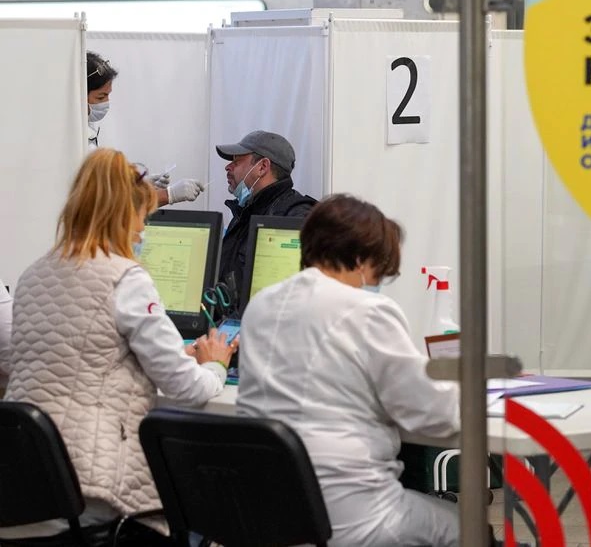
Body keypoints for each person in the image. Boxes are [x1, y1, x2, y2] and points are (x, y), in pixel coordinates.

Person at [1, 148, 237, 540]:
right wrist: (215, 364)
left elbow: (83, 353)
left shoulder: (33, 274)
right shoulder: (123, 277)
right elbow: (186, 389)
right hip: (89, 497)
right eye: (142, 220)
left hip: (22, 488)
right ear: (123, 217)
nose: (143, 232)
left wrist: (167, 354)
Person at [237, 194, 460, 547]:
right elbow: (435, 414)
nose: (377, 281)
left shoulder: (261, 305)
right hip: (351, 515)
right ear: (360, 259)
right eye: (379, 270)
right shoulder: (368, 310)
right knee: (464, 524)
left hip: (271, 514)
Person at [86, 51, 203, 207]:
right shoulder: (73, 142)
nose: (106, 103)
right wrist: (167, 195)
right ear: (79, 93)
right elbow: (107, 205)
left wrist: (135, 186)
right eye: (100, 97)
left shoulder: (86, 132)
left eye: (108, 95)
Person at [215, 130, 316, 296]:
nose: (228, 167)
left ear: (262, 167)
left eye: (237, 161)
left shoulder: (296, 215)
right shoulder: (246, 211)